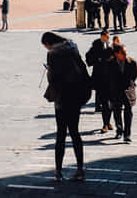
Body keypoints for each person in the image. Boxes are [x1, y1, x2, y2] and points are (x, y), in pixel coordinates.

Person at [41, 32, 89, 182]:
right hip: (76, 95)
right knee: (75, 133)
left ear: (48, 43)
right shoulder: (72, 46)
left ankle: (58, 172)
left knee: (61, 134)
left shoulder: (53, 53)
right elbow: (81, 67)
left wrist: (48, 70)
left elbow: (53, 78)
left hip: (62, 97)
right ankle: (80, 169)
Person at [107, 42, 137, 143]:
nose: (125, 54)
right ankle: (119, 130)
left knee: (128, 110)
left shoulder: (132, 62)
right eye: (122, 52)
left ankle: (127, 134)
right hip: (116, 91)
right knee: (117, 111)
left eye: (125, 52)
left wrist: (130, 85)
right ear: (116, 54)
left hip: (128, 91)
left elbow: (134, 76)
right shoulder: (110, 63)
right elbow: (108, 78)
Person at [85, 29, 113, 133]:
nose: (108, 38)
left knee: (110, 103)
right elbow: (89, 56)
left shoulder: (110, 45)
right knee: (104, 103)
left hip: (110, 77)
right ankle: (105, 123)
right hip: (100, 76)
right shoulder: (96, 45)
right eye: (107, 37)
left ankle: (108, 122)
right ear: (102, 36)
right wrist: (98, 60)